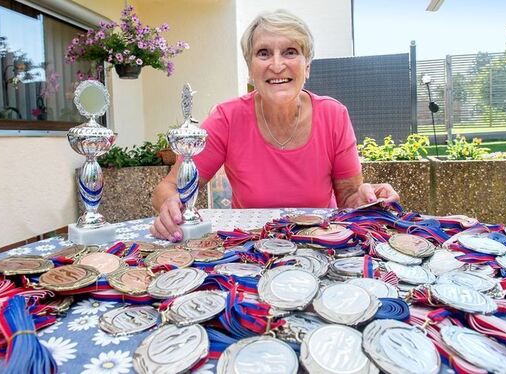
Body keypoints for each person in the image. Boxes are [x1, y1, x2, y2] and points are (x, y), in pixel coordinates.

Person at [151, 9, 399, 241]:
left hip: (321, 243)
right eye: (263, 53)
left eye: (290, 52)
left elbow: (349, 197)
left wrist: (370, 198)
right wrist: (170, 206)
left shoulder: (334, 115)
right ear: (250, 69)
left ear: (307, 66)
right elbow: (169, 187)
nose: (277, 65)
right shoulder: (226, 118)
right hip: (250, 249)